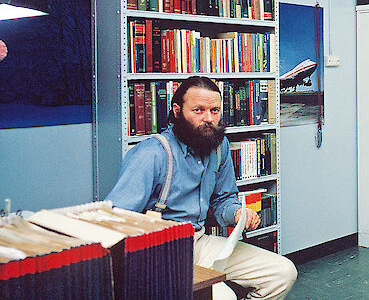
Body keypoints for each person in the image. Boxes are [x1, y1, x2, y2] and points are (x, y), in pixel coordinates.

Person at [106, 76, 297, 299]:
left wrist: (236, 213)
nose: (208, 118)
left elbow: (223, 198)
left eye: (214, 111)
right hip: (158, 253)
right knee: (224, 297)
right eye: (198, 110)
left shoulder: (219, 147)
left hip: (199, 243)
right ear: (177, 111)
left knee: (282, 273)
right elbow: (115, 219)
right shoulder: (151, 154)